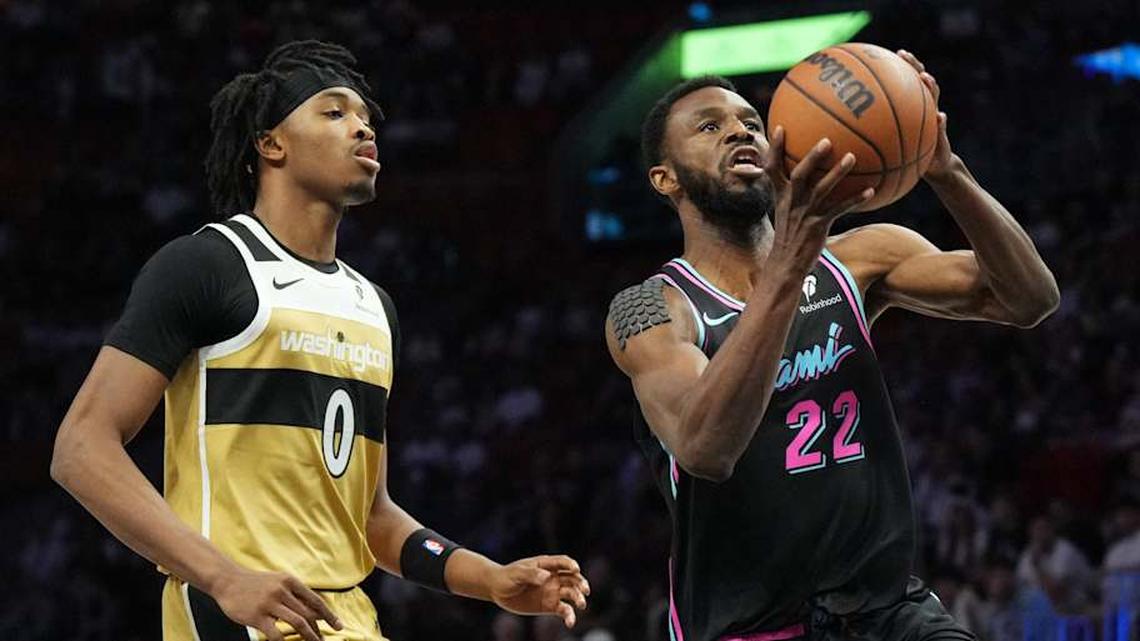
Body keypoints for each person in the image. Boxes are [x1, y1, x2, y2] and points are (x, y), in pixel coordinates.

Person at [50, 40, 589, 641]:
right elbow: (81, 448)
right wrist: (224, 578)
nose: (362, 127)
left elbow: (371, 516)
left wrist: (488, 578)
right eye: (333, 112)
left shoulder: (374, 307)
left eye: (364, 117)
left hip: (348, 617)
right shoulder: (208, 265)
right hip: (241, 614)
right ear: (270, 143)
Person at [604, 50, 1058, 641]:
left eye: (750, 122)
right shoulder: (647, 309)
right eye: (709, 126)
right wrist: (790, 257)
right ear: (665, 178)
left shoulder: (855, 257)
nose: (740, 130)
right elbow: (705, 447)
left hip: (888, 611)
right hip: (749, 627)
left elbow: (1029, 298)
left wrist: (945, 169)